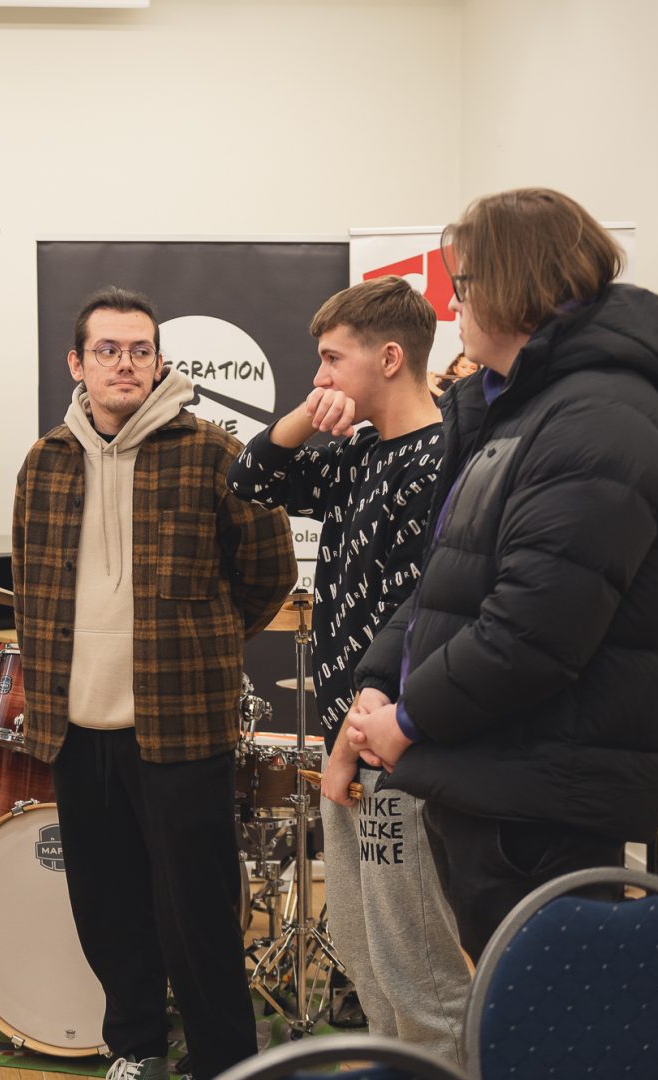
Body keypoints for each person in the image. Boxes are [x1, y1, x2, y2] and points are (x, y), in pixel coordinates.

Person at [343, 187, 658, 960]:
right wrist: (379, 678)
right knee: (500, 1011)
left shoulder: (598, 420)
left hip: (537, 804)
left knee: (543, 1018)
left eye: (464, 284)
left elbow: (532, 633)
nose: (453, 305)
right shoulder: (517, 409)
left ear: (514, 284)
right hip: (492, 779)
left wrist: (407, 722)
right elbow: (447, 579)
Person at [11, 286, 296, 1080]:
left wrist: (202, 645)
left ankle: (222, 1062)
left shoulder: (214, 453)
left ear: (159, 361)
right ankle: (135, 1046)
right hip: (76, 728)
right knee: (105, 907)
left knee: (196, 912)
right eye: (107, 350)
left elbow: (268, 572)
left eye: (139, 350)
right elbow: (31, 585)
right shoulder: (44, 461)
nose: (125, 364)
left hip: (180, 725)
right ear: (76, 364)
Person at [227, 276, 471, 1064]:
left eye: (332, 360)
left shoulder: (441, 463)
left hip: (394, 746)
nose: (320, 376)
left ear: (389, 358)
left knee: (419, 977)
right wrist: (309, 413)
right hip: (348, 742)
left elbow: (420, 621)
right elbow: (249, 480)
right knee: (368, 963)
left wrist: (349, 743)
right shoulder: (361, 452)